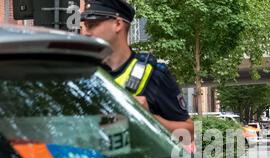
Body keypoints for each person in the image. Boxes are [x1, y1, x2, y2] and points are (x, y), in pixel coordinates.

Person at [80, 0, 194, 140]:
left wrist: (148, 118)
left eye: (92, 25)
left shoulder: (155, 75)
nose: (85, 32)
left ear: (117, 24)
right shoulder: (81, 74)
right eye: (84, 26)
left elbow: (189, 133)